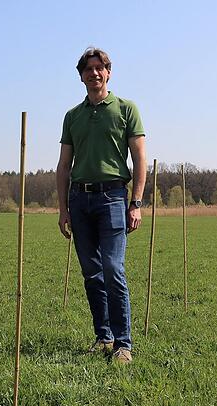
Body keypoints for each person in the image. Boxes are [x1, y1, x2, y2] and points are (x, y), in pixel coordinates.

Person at [56, 48, 147, 364]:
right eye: (88, 69)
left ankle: (124, 344)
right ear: (81, 75)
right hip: (79, 200)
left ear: (108, 73)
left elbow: (139, 160)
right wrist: (63, 208)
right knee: (92, 272)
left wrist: (135, 203)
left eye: (100, 68)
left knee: (112, 268)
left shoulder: (126, 109)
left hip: (112, 198)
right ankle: (104, 336)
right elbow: (64, 165)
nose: (94, 73)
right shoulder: (73, 116)